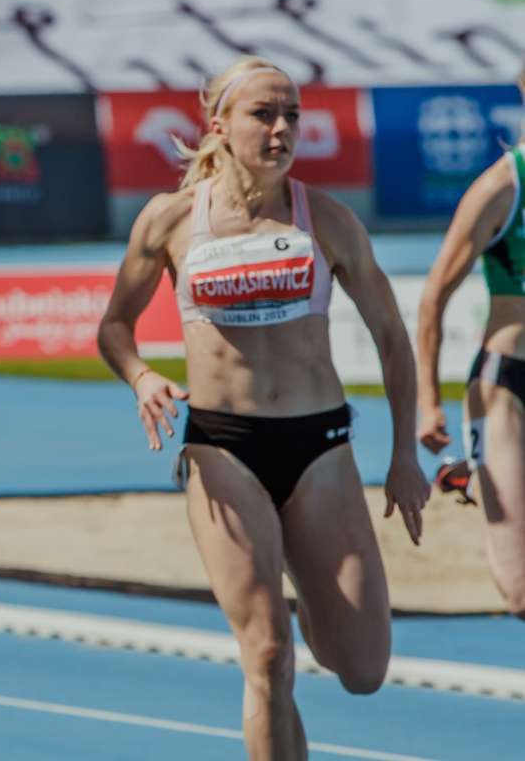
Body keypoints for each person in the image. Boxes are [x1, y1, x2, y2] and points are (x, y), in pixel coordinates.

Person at [97, 56, 429, 759]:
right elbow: (114, 327)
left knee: (362, 669)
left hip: (320, 449)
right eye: (263, 114)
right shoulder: (171, 220)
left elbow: (393, 340)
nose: (282, 130)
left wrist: (405, 456)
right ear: (219, 125)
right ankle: (274, 630)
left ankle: (305, 589)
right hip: (224, 450)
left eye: (292, 116)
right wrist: (141, 377)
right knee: (268, 655)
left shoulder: (326, 220)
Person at [416, 66, 525, 620]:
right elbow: (433, 297)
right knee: (520, 589)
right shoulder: (502, 186)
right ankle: (478, 471)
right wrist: (428, 402)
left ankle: (477, 475)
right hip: (508, 387)